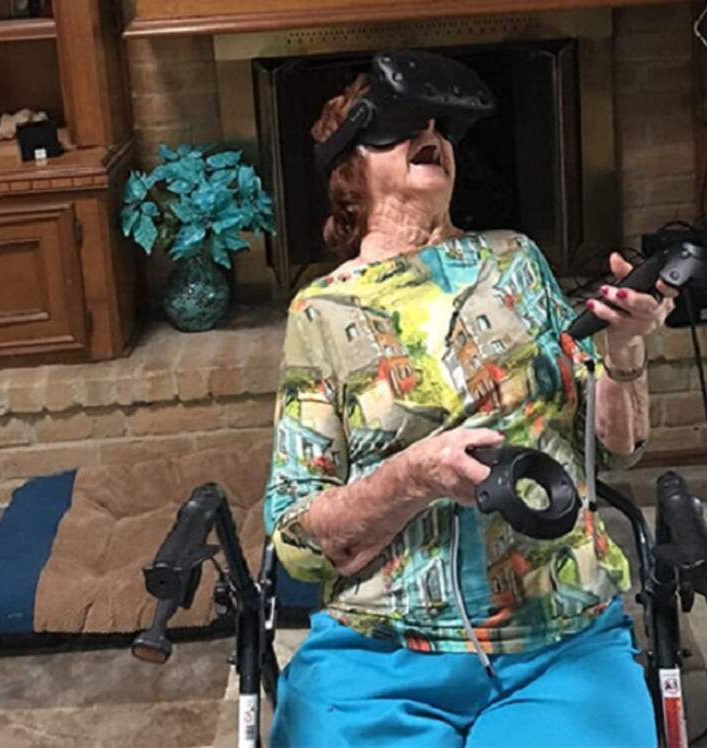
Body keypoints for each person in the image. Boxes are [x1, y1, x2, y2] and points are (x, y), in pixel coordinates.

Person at [262, 59, 676, 748]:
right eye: (400, 126)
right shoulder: (323, 311)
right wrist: (414, 476)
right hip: (380, 649)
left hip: (557, 635)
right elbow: (300, 544)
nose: (429, 135)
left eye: (438, 127)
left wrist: (624, 346)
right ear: (349, 170)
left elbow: (613, 449)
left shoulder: (515, 261)